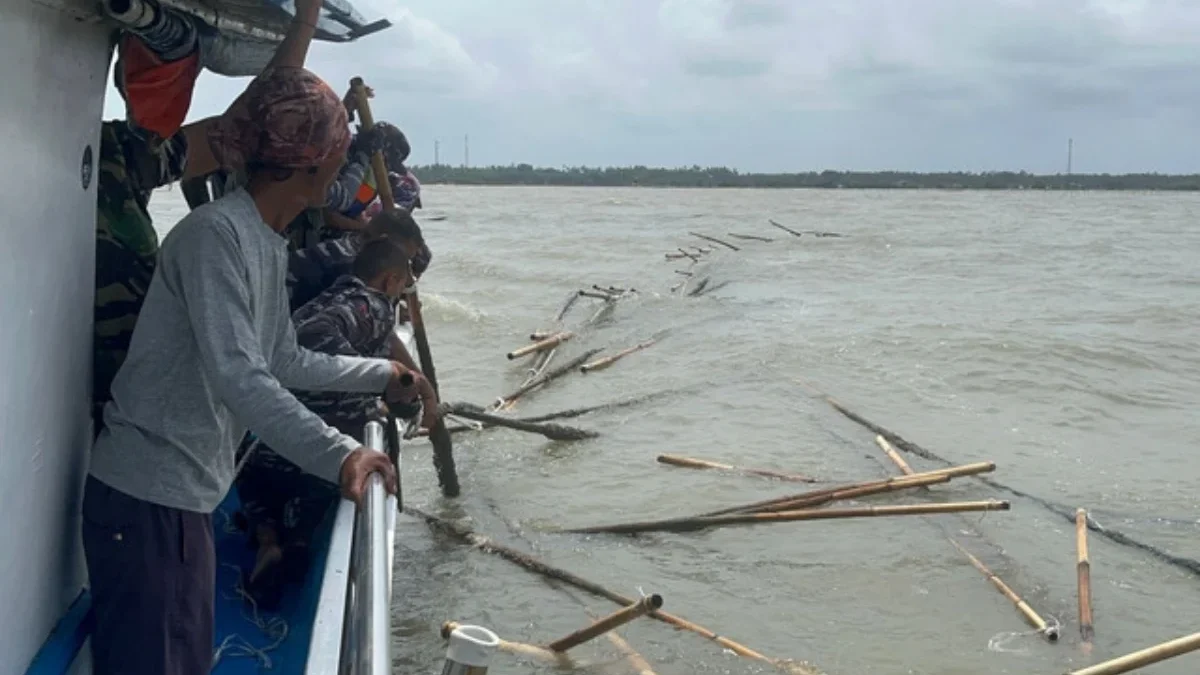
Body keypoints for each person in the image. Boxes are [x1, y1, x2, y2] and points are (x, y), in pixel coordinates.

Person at [82, 60, 438, 675]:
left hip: (187, 493)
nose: (342, 164)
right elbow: (240, 375)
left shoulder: (264, 240)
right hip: (149, 498)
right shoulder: (215, 237)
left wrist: (380, 375)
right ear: (312, 163)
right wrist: (342, 453)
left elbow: (282, 357)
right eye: (338, 150)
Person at [235, 239, 414, 608]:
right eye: (402, 286)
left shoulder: (327, 295)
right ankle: (300, 540)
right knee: (321, 484)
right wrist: (370, 388)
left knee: (255, 480)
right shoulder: (373, 306)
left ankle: (268, 541)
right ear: (389, 278)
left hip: (275, 441)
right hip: (314, 449)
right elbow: (313, 336)